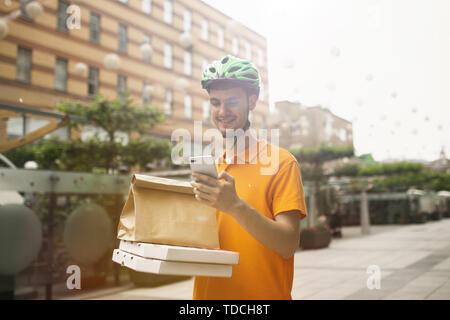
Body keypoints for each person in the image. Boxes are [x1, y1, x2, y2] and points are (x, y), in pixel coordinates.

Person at [190, 55, 308, 300]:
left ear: (251, 101)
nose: (222, 112)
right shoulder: (212, 166)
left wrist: (235, 205)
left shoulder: (281, 163)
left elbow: (287, 245)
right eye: (215, 102)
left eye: (232, 101)